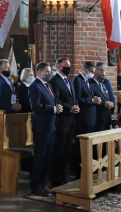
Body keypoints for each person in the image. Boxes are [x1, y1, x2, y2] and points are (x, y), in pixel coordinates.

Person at [29, 62, 61, 196]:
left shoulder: (47, 85)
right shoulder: (34, 86)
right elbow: (36, 106)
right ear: (40, 72)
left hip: (51, 126)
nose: (50, 74)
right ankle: (36, 185)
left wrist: (57, 106)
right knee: (40, 157)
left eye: (50, 71)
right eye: (47, 72)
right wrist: (53, 109)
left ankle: (43, 183)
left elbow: (53, 100)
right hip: (42, 127)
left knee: (47, 157)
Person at [49, 58, 78, 186]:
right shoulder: (54, 81)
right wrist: (69, 108)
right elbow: (56, 99)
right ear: (59, 67)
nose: (68, 67)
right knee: (59, 151)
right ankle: (56, 178)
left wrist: (75, 106)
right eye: (66, 65)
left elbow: (73, 97)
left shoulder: (70, 81)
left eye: (69, 65)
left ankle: (63, 176)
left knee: (66, 151)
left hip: (70, 120)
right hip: (61, 121)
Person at [73, 61, 101, 136]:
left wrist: (95, 98)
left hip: (90, 117)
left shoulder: (87, 80)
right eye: (91, 71)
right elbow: (77, 98)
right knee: (82, 142)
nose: (92, 74)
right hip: (83, 117)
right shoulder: (78, 80)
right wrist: (92, 100)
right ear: (85, 70)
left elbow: (88, 95)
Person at [93, 63, 115, 131]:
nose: (104, 77)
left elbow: (109, 96)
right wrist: (103, 104)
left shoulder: (103, 84)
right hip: (98, 117)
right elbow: (92, 99)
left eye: (104, 75)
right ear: (96, 74)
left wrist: (111, 104)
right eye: (102, 75)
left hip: (107, 116)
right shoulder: (90, 84)